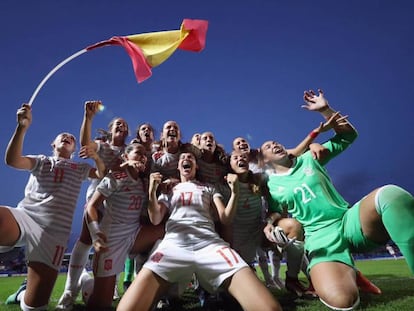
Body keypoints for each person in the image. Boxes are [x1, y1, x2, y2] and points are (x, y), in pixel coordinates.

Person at [261, 89, 414, 310]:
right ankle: (345, 272)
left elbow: (348, 136)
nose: (275, 144)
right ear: (264, 160)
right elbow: (276, 211)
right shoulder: (271, 185)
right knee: (342, 301)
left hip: (349, 221)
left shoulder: (309, 159)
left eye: (276, 142)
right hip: (320, 238)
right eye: (267, 146)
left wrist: (325, 110)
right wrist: (269, 223)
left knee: (391, 194)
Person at [117, 151, 282, 311]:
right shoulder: (170, 189)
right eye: (182, 158)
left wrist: (235, 193)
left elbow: (225, 218)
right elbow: (155, 219)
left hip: (210, 244)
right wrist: (153, 192)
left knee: (270, 308)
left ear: (196, 167)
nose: (186, 159)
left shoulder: (209, 188)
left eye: (190, 158)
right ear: (178, 167)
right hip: (173, 245)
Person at [0, 103, 105, 311]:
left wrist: (96, 158)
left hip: (53, 234)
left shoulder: (80, 168)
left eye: (72, 138)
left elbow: (102, 174)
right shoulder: (42, 161)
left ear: (75, 149)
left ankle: (23, 293)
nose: (68, 137)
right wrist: (22, 127)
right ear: (53, 144)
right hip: (26, 217)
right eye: (62, 136)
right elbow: (12, 161)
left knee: (34, 307)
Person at [57, 100, 129, 310]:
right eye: (117, 124)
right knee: (86, 240)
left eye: (124, 125)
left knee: (111, 244)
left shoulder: (130, 150)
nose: (121, 126)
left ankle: (111, 285)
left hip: (119, 204)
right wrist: (88, 118)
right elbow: (85, 143)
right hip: (98, 197)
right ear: (110, 129)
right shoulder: (103, 145)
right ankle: (69, 291)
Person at [81, 142, 164, 310]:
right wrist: (96, 235)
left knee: (167, 232)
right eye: (138, 153)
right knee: (101, 305)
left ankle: (148, 280)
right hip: (112, 238)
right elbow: (91, 207)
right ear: (126, 157)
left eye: (144, 155)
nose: (142, 157)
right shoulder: (116, 177)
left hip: (135, 234)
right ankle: (85, 284)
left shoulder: (144, 182)